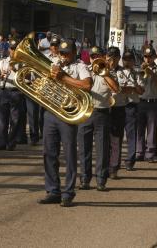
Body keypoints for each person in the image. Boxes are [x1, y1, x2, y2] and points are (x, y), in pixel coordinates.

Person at [38, 38, 92, 207]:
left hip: (68, 114)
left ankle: (68, 192)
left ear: (74, 53)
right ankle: (53, 190)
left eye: (67, 53)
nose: (63, 56)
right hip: (51, 112)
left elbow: (87, 85)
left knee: (69, 154)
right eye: (61, 53)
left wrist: (64, 78)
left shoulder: (80, 66)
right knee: (49, 153)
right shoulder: (53, 62)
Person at [78, 46, 119, 191]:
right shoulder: (83, 70)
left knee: (102, 148)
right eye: (92, 56)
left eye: (97, 56)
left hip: (102, 113)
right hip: (86, 112)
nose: (94, 58)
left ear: (102, 56)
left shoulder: (110, 71)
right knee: (84, 147)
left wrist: (104, 73)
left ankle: (101, 180)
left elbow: (116, 88)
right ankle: (84, 179)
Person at [136, 47, 157, 163]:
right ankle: (139, 152)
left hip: (153, 102)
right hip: (141, 102)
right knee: (139, 129)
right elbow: (137, 86)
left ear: (154, 57)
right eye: (146, 57)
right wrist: (142, 72)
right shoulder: (139, 69)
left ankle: (150, 153)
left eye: (150, 57)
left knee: (152, 130)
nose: (148, 59)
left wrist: (152, 73)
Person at [118, 50, 144, 171]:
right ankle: (115, 160)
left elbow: (141, 91)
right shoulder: (117, 72)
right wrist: (130, 89)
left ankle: (130, 160)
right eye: (125, 59)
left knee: (131, 135)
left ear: (133, 61)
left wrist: (133, 86)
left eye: (129, 59)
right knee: (116, 136)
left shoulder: (137, 74)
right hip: (118, 106)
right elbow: (116, 89)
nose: (127, 62)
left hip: (131, 106)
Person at [0, 39, 24, 150]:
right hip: (3, 90)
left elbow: (27, 79)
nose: (13, 51)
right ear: (9, 49)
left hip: (16, 91)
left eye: (15, 49)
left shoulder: (22, 63)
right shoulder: (3, 61)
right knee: (1, 119)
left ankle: (11, 143)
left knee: (15, 120)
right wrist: (0, 75)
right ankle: (1, 143)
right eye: (12, 49)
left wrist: (16, 70)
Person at [108, 47, 126, 179]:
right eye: (109, 57)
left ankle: (114, 167)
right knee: (103, 140)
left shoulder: (123, 72)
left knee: (116, 139)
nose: (111, 60)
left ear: (119, 58)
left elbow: (122, 88)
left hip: (118, 108)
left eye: (114, 57)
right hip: (103, 108)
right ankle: (103, 166)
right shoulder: (101, 69)